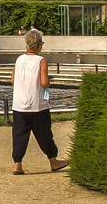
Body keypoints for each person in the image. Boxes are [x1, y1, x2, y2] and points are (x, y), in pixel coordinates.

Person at [11, 29, 67, 175]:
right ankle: (53, 161)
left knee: (19, 135)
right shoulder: (41, 60)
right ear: (38, 45)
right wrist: (49, 81)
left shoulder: (19, 59)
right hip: (37, 105)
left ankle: (18, 164)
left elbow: (13, 80)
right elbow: (44, 82)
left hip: (19, 104)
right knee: (44, 134)